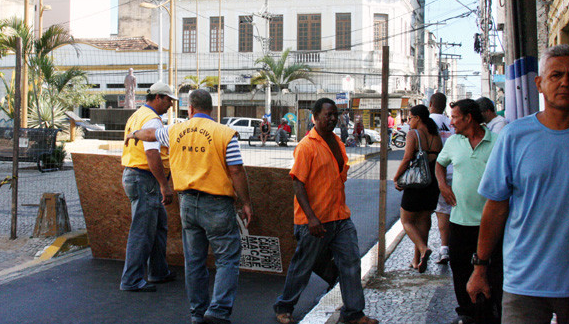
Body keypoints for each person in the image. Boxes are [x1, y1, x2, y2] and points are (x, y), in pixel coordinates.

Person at [467, 45, 569, 324]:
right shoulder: (515, 136)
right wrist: (480, 267)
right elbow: (496, 206)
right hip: (524, 282)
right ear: (539, 84)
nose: (565, 82)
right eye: (556, 75)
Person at [126, 89, 253, 324]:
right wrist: (246, 202)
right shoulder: (225, 133)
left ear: (190, 109)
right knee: (226, 259)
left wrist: (133, 133)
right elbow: (236, 170)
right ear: (212, 110)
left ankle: (197, 313)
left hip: (187, 204)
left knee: (194, 261)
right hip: (217, 205)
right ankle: (218, 310)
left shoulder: (174, 131)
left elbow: (150, 134)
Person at [273, 98, 378, 324]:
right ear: (315, 116)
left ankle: (354, 313)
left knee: (350, 263)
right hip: (315, 220)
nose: (332, 118)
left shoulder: (338, 143)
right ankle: (284, 307)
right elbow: (298, 184)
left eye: (335, 114)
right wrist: (311, 218)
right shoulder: (306, 146)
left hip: (340, 217)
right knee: (303, 266)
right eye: (327, 114)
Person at [435, 99, 500, 324]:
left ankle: (491, 313)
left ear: (468, 118)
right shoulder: (453, 142)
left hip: (490, 224)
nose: (451, 122)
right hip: (460, 223)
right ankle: (466, 313)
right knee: (461, 271)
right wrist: (443, 186)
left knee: (492, 273)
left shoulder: (498, 142)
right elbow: (439, 164)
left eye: (454, 117)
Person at [119, 81, 177, 292]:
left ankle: (158, 271)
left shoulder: (139, 115)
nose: (171, 104)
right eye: (169, 99)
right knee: (142, 231)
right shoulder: (152, 120)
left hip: (137, 176)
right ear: (159, 97)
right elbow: (151, 153)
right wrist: (164, 185)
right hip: (145, 179)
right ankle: (132, 280)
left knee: (159, 224)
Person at [393, 104, 442, 273]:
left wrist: (396, 177)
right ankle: (417, 260)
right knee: (423, 221)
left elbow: (407, 159)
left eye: (410, 118)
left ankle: (423, 249)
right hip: (433, 183)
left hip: (416, 183)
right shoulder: (436, 135)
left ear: (418, 118)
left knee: (406, 220)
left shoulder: (413, 134)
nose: (408, 121)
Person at [428, 92, 455, 265]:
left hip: (435, 172)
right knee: (450, 208)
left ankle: (441, 248)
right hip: (453, 171)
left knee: (438, 211)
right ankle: (447, 245)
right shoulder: (450, 122)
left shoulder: (428, 121)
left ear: (431, 103)